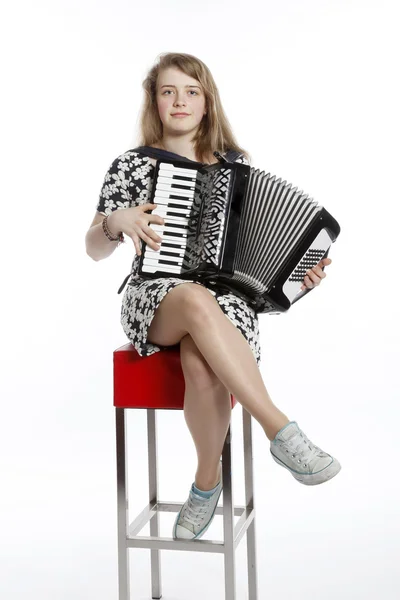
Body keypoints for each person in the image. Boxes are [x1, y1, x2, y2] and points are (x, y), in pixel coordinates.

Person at [85, 52, 341, 541]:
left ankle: (206, 484)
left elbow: (258, 270)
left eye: (191, 91)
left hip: (226, 303)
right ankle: (280, 431)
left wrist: (296, 281)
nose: (179, 101)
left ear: (207, 103)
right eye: (168, 91)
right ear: (155, 103)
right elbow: (93, 249)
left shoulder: (236, 168)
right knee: (196, 300)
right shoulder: (132, 166)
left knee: (201, 358)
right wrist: (114, 224)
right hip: (155, 297)